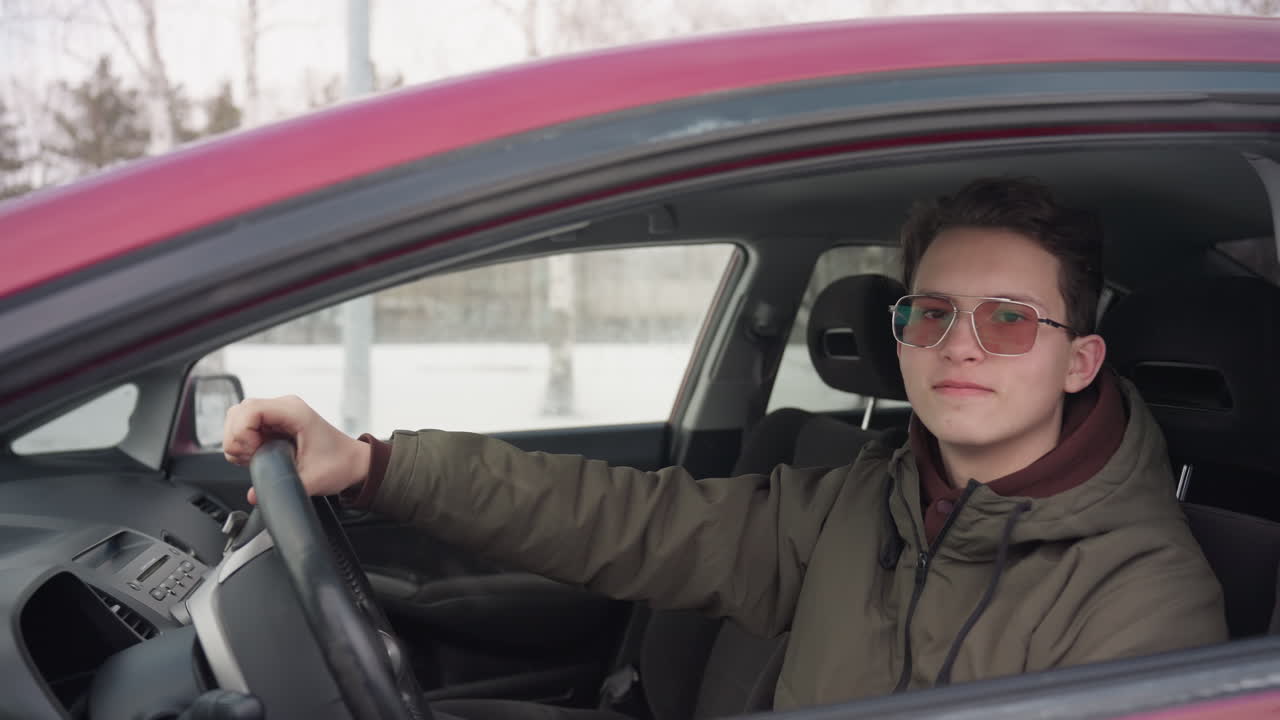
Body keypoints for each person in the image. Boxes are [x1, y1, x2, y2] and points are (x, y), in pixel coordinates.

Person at [222, 177, 1227, 711]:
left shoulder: (1142, 595)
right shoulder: (861, 501)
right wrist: (374, 466)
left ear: (1079, 361)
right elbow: (628, 521)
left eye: (1006, 320)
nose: (956, 346)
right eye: (929, 313)